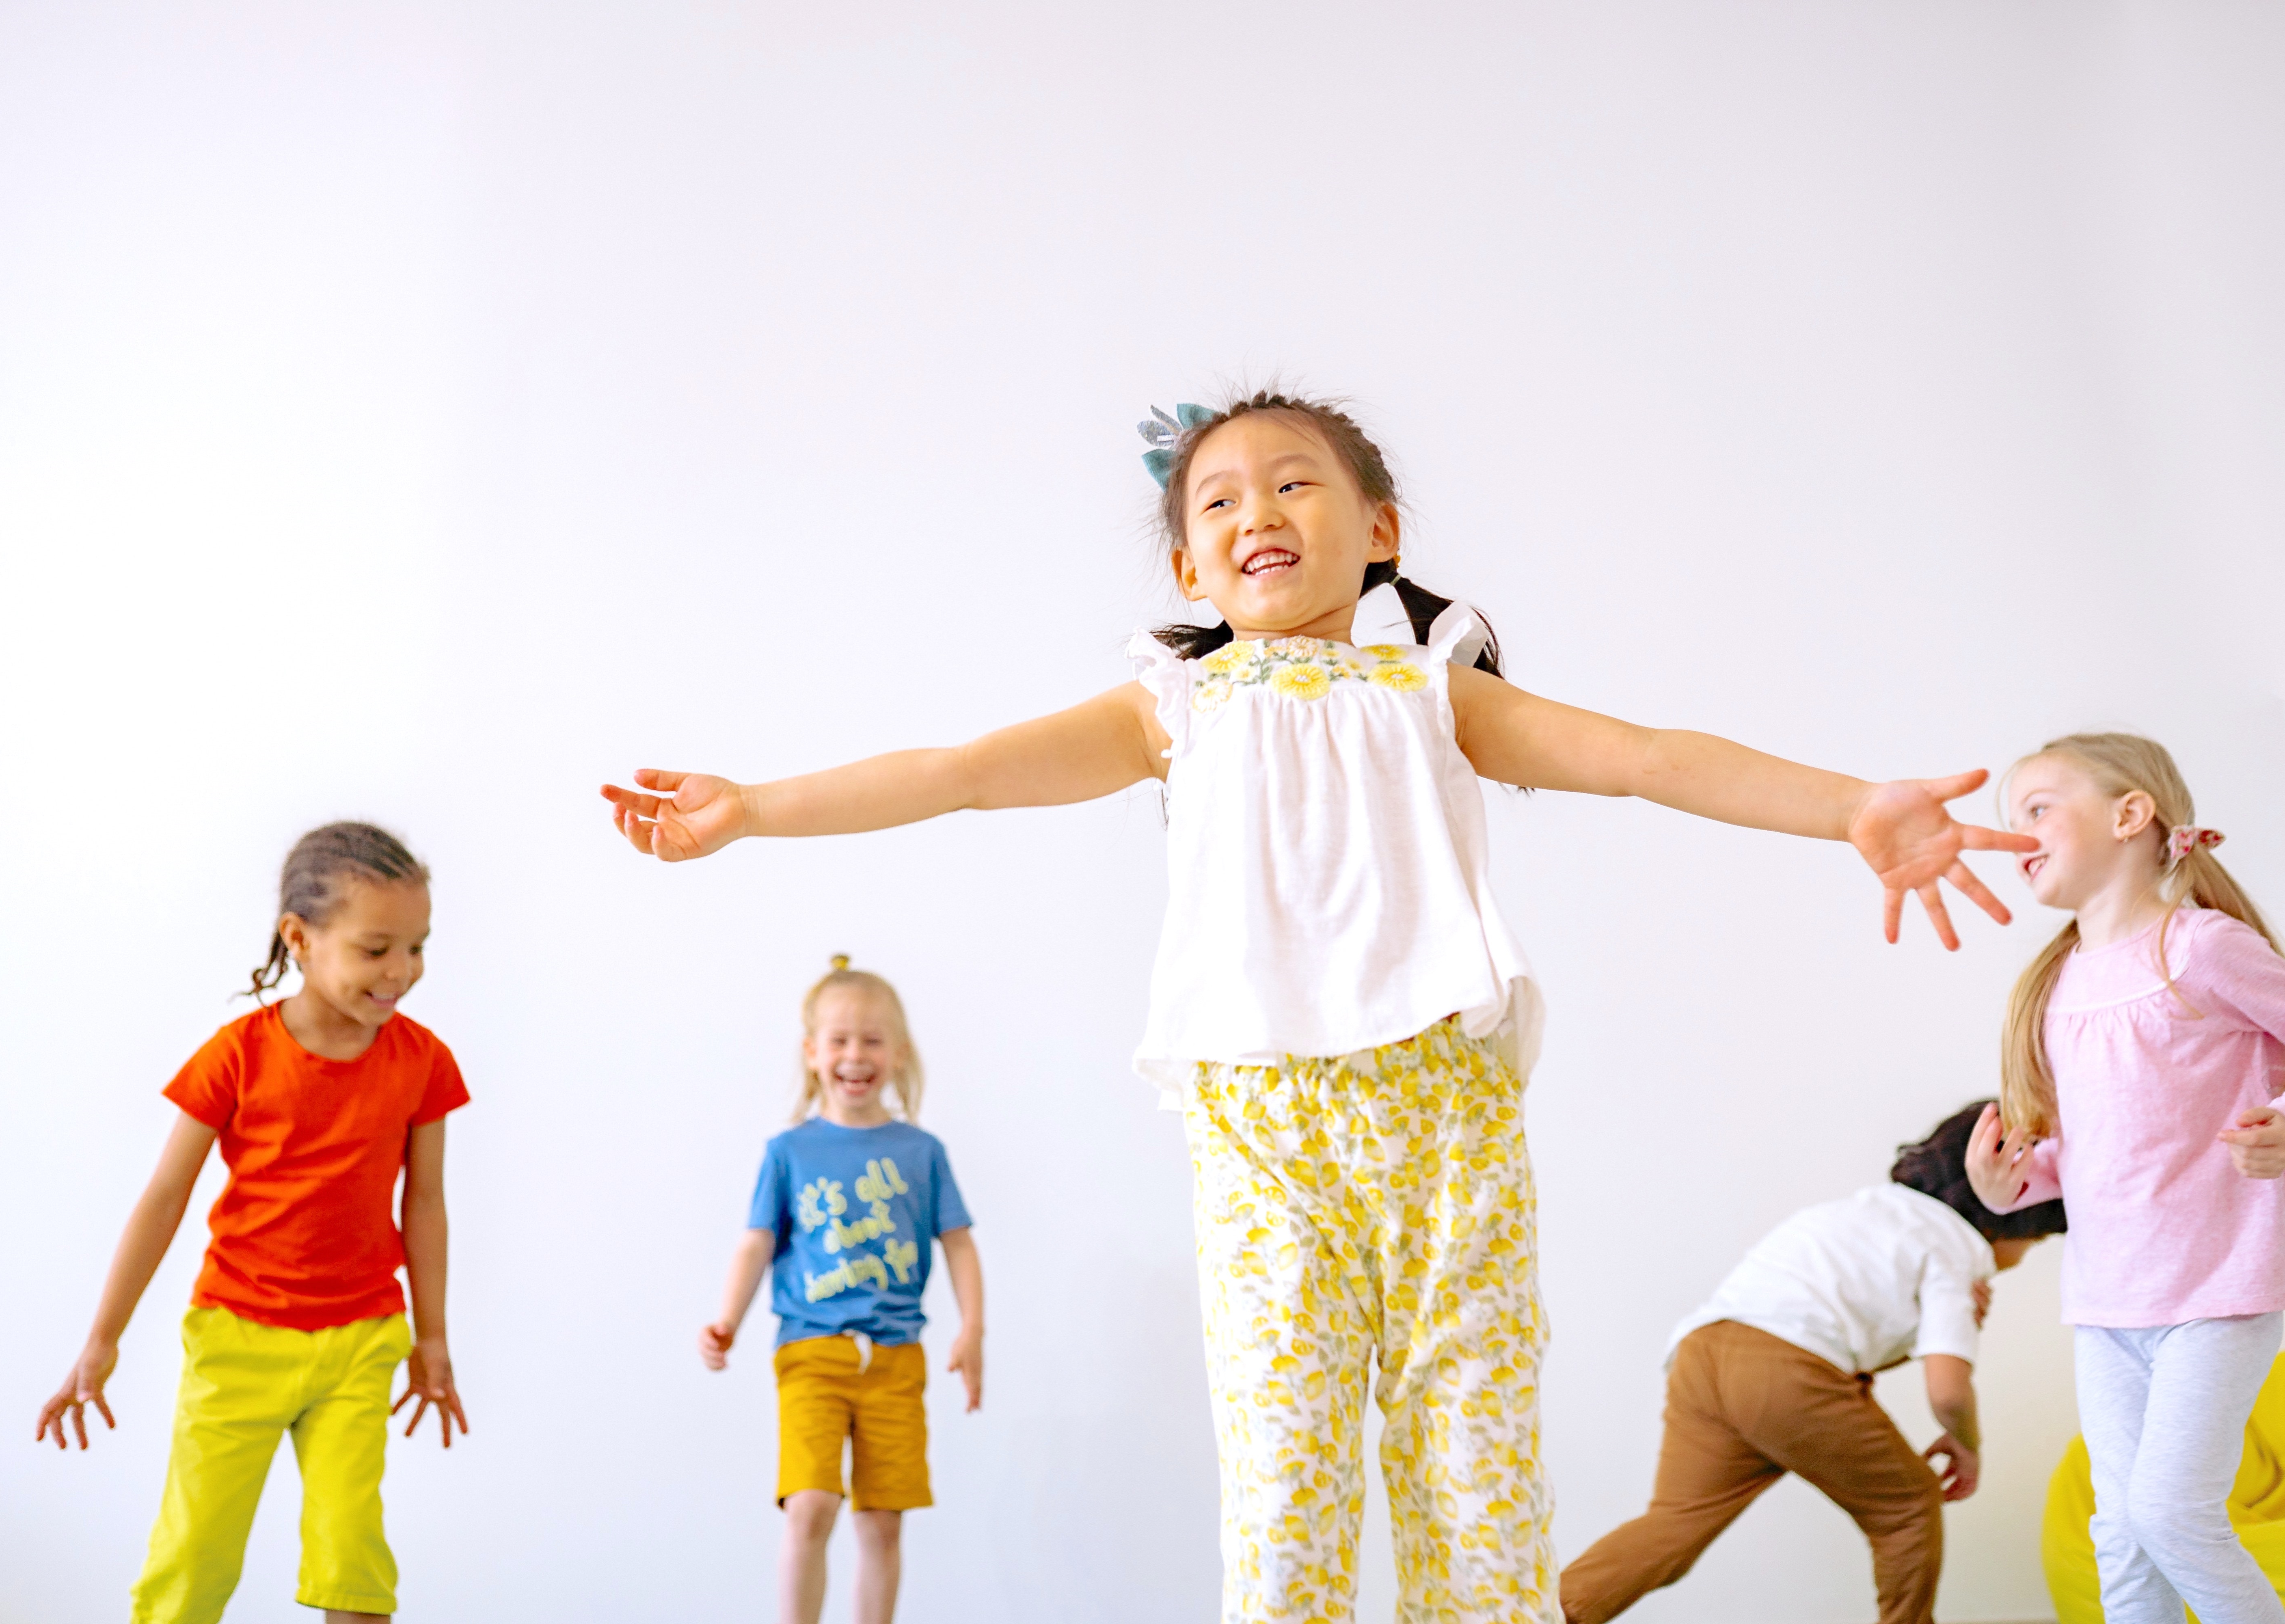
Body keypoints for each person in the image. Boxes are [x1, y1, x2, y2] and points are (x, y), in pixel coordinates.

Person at [603, 388, 2034, 1623]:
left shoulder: (1435, 693)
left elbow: (1644, 757)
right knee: (1286, 1491)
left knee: (1477, 1489)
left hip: (1447, 1128)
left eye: (1295, 484)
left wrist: (1852, 807)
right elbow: (962, 771)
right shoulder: (1172, 709)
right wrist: (757, 809)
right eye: (1220, 500)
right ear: (1190, 562)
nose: (1259, 513)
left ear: (1380, 527)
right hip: (1265, 1138)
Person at [35, 823, 470, 1624]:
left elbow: (426, 1203)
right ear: (299, 938)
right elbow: (164, 1197)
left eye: (417, 947)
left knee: (353, 1559)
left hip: (360, 1340)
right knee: (194, 1556)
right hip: (237, 1336)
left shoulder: (425, 1060)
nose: (402, 971)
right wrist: (102, 1339)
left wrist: (433, 1338)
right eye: (376, 949)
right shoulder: (237, 1055)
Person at [1968, 733, 2285, 1624]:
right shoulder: (2055, 984)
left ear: (2130, 815)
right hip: (2107, 1303)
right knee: (2121, 1532)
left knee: (2172, 1514)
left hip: (2217, 1290)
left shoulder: (2204, 948)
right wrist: (2005, 1187)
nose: (2019, 835)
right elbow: (2093, 1150)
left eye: (2037, 810)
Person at [1559, 1101, 2067, 1624]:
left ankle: (1537, 1614)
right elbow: (1948, 1392)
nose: (2023, 1258)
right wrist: (1967, 1444)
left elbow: (1842, 1327)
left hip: (1702, 1352)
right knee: (1909, 1505)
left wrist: (1929, 1326)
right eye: (2035, 1241)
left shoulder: (1867, 1210)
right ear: (2012, 1219)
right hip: (1785, 1372)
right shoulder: (1955, 1252)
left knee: (1675, 1522)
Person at [700, 958, 982, 1624]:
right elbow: (756, 1242)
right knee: (812, 1504)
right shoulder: (789, 1152)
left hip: (896, 1359)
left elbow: (959, 1243)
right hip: (811, 1354)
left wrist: (973, 1328)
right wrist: (727, 1319)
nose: (856, 1056)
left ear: (899, 1053)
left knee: (883, 1521)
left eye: (873, 1041)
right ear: (812, 1053)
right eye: (840, 1041)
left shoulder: (922, 1152)